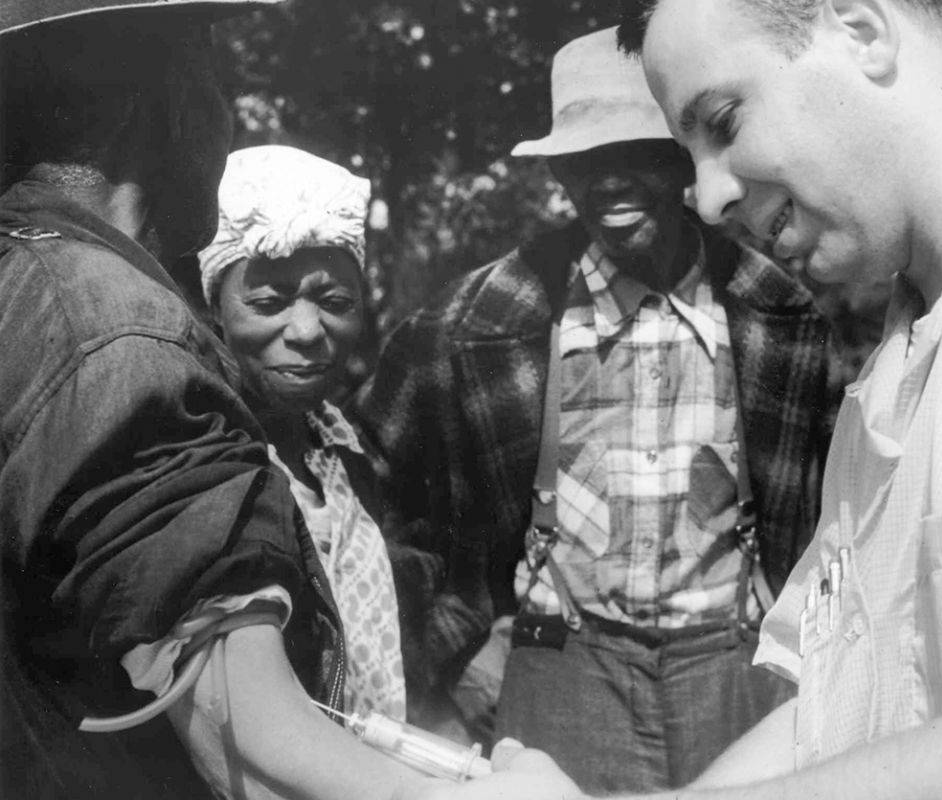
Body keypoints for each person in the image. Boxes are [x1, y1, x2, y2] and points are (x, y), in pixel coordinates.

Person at [508, 0, 942, 798]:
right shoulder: (897, 356)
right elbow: (828, 712)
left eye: (723, 120)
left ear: (862, 32)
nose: (705, 198)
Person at [0, 6, 567, 799]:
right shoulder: (118, 335)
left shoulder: (23, 288)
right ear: (161, 101)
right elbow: (254, 747)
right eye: (217, 84)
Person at [355, 26, 841, 794]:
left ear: (683, 160)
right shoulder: (478, 321)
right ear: (556, 171)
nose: (608, 181)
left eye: (635, 154)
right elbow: (360, 488)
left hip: (738, 666)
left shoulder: (787, 311)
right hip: (561, 665)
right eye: (584, 159)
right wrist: (454, 653)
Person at [197, 144, 419, 722]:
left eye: (334, 301)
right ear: (213, 307)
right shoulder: (202, 465)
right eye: (268, 301)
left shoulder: (345, 452)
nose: (305, 330)